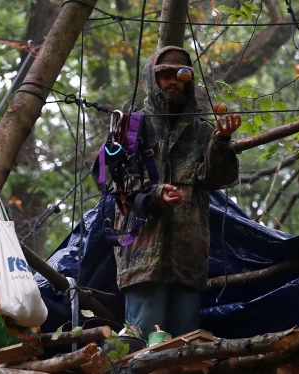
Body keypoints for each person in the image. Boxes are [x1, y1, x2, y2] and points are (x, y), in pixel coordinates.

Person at [113, 46, 241, 340]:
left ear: (189, 81)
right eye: (164, 75)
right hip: (142, 255)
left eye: (179, 75)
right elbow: (114, 181)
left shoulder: (202, 130)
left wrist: (221, 142)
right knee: (143, 342)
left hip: (188, 257)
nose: (172, 81)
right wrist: (156, 194)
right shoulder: (131, 127)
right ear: (151, 79)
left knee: (185, 346)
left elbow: (218, 178)